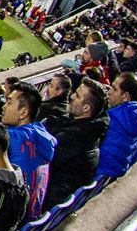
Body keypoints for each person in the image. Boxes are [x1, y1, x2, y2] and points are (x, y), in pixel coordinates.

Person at [43, 77, 108, 210]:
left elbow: (39, 161)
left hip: (46, 200)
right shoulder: (89, 131)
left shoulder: (74, 138)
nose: (71, 96)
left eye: (77, 96)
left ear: (86, 108)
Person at [1, 83, 56, 221]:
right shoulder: (42, 135)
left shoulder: (11, 139)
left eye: (8, 102)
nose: (3, 107)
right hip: (27, 221)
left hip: (9, 222)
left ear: (23, 113)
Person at [96, 72, 137, 182]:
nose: (109, 92)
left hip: (97, 176)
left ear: (125, 97)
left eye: (114, 89)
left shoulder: (110, 120)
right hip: (108, 181)